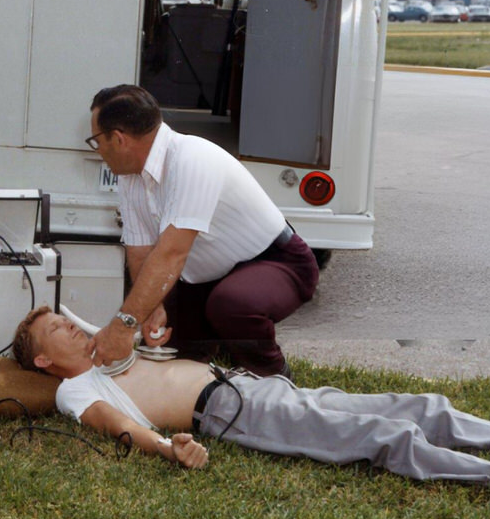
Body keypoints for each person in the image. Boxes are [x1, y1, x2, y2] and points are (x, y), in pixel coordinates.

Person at [13, 308, 490, 510]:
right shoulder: (75, 390)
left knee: (422, 405)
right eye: (56, 332)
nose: (71, 327)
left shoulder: (108, 351)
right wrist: (169, 448)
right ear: (43, 363)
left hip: (257, 387)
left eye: (68, 319)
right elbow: (118, 427)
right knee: (386, 436)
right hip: (230, 414)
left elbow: (144, 327)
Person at [87, 84, 318, 376]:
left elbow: (171, 253)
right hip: (204, 280)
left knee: (231, 305)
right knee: (171, 353)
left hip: (278, 262)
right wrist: (151, 307)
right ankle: (215, 375)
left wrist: (122, 328)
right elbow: (140, 250)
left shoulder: (191, 158)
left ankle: (276, 378)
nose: (98, 152)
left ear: (118, 139)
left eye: (97, 141)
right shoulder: (130, 177)